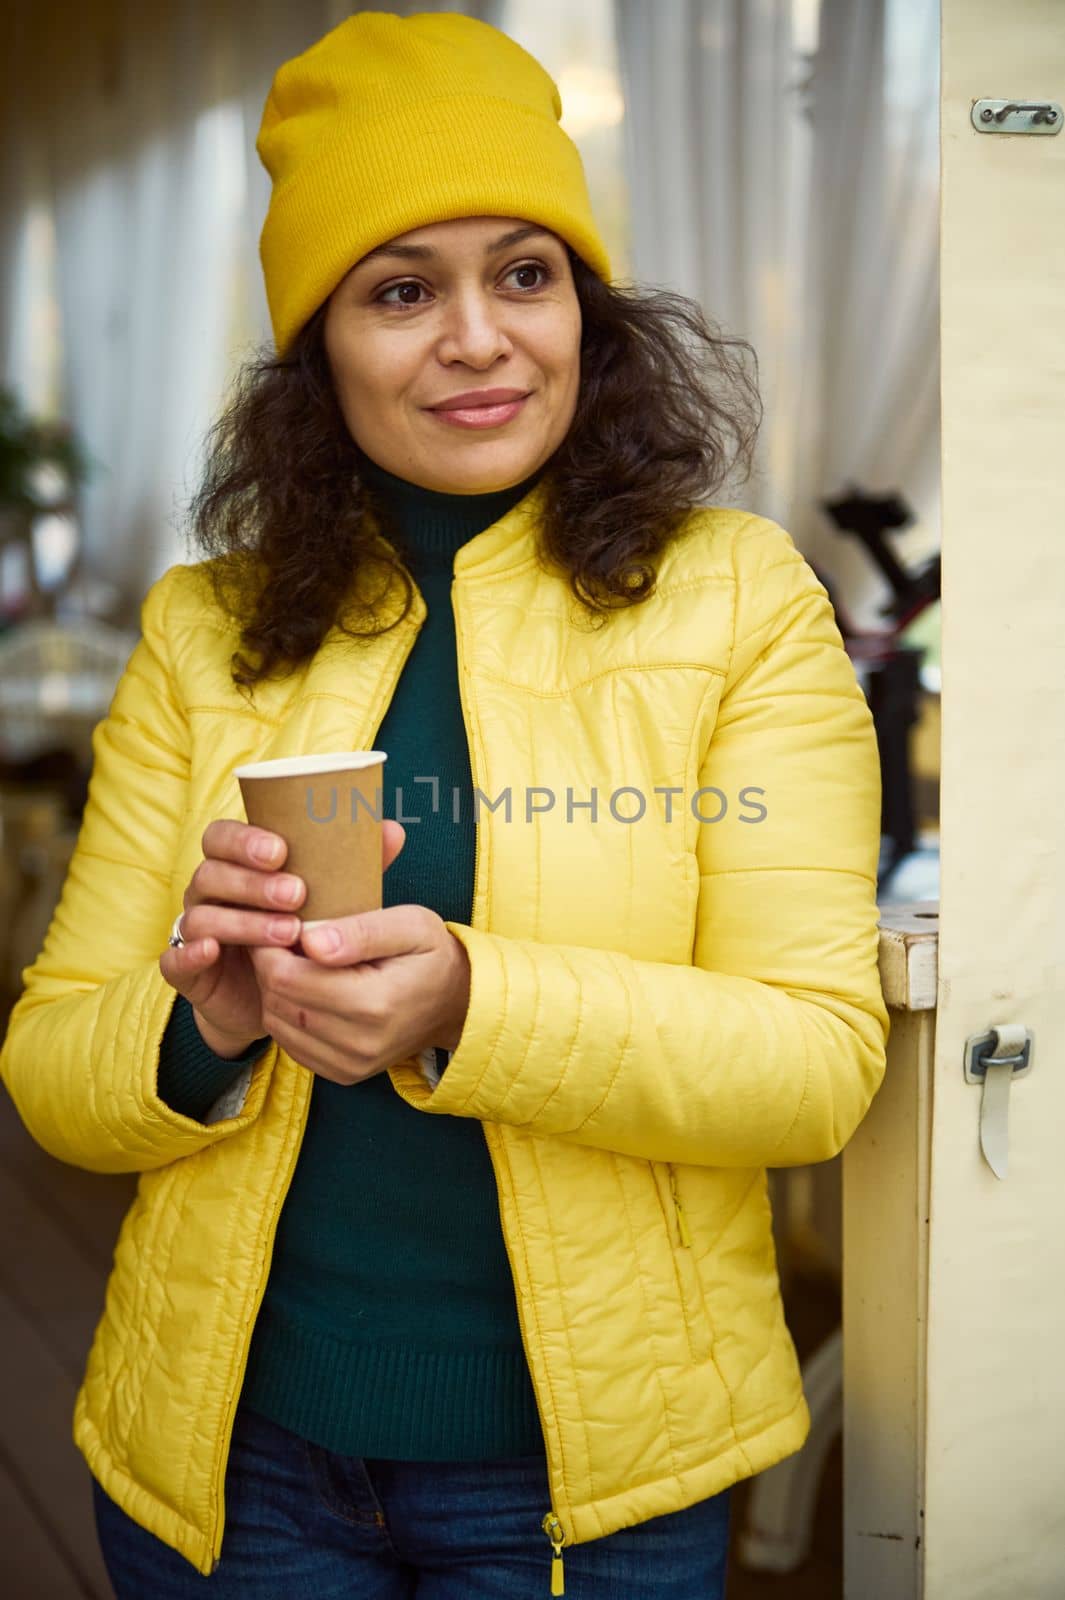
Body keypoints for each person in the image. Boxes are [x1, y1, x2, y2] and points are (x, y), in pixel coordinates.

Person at [0, 11, 889, 1598]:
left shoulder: (736, 601)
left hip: (585, 1479)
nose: (479, 338)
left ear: (585, 308)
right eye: (401, 289)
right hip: (231, 1463)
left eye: (524, 272)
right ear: (318, 343)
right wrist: (199, 1029)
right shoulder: (208, 627)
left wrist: (470, 1002)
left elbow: (810, 1065)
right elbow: (55, 1071)